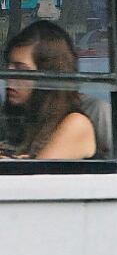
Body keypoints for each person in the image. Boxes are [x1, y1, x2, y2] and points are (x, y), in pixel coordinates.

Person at [0, 20, 96, 159]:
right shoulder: (21, 120)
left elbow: (37, 176)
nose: (9, 78)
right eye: (8, 68)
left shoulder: (76, 124)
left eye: (21, 70)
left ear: (47, 75)